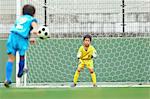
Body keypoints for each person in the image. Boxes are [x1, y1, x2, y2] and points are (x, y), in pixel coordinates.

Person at [4, 4, 38, 87]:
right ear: (33, 13)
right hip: (22, 39)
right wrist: (33, 36)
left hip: (12, 36)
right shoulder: (32, 19)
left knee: (11, 59)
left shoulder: (19, 19)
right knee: (22, 56)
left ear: (23, 12)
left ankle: (7, 79)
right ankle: (20, 73)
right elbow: (35, 28)